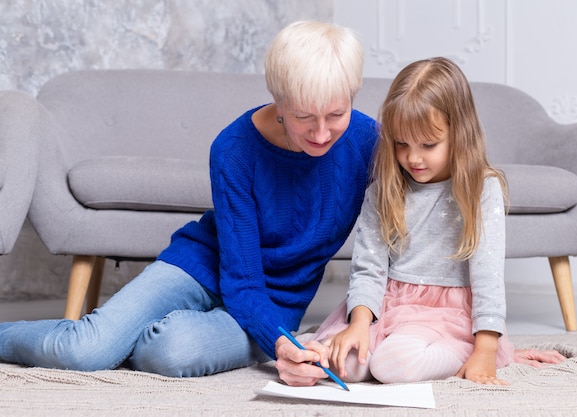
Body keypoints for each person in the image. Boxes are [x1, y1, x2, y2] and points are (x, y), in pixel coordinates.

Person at [0, 20, 379, 385]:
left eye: (336, 114)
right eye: (303, 117)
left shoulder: (366, 141)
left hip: (275, 302)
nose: (322, 132)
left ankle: (121, 338)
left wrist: (284, 339)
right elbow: (242, 279)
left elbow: (407, 211)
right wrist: (282, 346)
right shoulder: (234, 150)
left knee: (169, 353)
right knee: (86, 351)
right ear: (279, 101)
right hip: (201, 267)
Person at [296, 57, 566, 386]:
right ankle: (379, 345)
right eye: (401, 144)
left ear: (459, 134)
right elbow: (369, 267)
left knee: (390, 366)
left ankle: (465, 353)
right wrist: (357, 323)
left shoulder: (482, 188)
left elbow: (487, 276)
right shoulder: (383, 190)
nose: (413, 158)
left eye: (428, 145)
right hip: (388, 305)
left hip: (446, 316)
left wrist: (486, 347)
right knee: (340, 364)